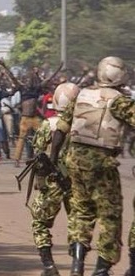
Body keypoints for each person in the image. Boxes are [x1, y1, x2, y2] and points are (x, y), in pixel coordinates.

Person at [50, 56, 135, 276]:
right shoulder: (120, 101)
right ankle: (101, 269)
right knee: (110, 215)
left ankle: (77, 265)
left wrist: (53, 158)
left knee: (82, 211)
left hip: (75, 159)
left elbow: (61, 129)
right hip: (101, 162)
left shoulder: (81, 95)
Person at [29, 82, 80, 276]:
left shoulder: (48, 125)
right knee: (78, 223)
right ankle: (77, 264)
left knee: (39, 222)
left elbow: (38, 150)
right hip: (76, 181)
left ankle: (49, 266)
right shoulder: (82, 126)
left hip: (52, 182)